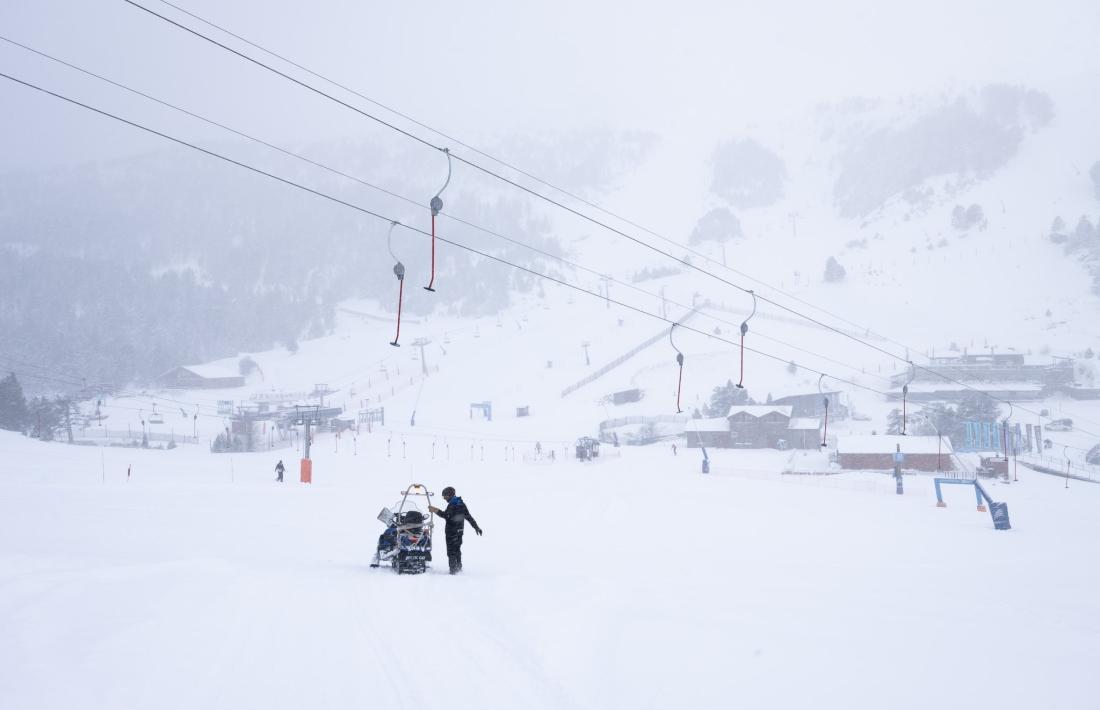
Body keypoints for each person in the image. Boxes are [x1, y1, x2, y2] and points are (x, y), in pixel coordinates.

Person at [428, 486, 481, 574]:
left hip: (451, 532)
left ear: (450, 495)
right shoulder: (461, 503)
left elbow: (446, 516)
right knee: (457, 550)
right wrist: (476, 527)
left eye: (445, 496)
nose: (444, 498)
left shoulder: (453, 505)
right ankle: (459, 568)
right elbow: (468, 517)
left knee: (451, 552)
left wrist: (435, 510)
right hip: (459, 531)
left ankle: (453, 571)